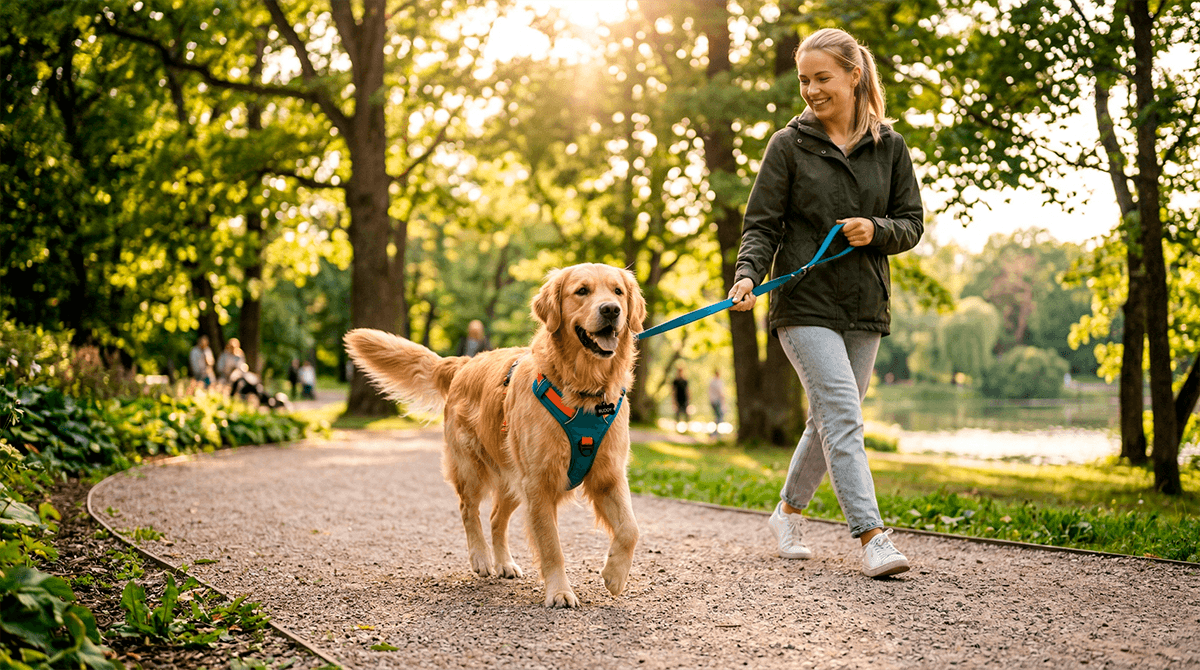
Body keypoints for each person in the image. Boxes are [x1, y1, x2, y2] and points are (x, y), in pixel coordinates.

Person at [727, 28, 923, 578]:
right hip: (802, 301)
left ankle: (787, 512)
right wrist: (747, 276)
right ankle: (872, 535)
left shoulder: (891, 147)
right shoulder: (787, 146)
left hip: (864, 305)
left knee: (831, 417)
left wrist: (875, 229)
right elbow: (761, 226)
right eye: (804, 80)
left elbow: (911, 224)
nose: (811, 90)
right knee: (842, 414)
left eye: (822, 78)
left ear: (854, 76)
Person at [708, 369, 726, 436]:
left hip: (713, 401)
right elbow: (720, 392)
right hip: (717, 401)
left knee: (717, 416)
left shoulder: (712, 381)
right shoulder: (717, 382)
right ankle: (715, 432)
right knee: (719, 416)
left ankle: (716, 432)